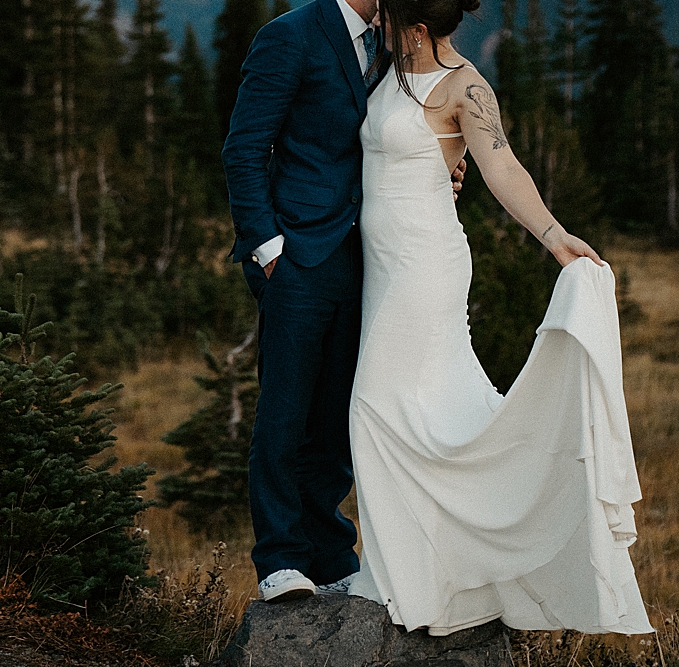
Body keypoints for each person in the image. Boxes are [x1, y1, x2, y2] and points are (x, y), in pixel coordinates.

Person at [346, 0, 654, 635]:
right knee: (427, 412)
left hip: (424, 264)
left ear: (419, 28)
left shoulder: (466, 87)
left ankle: (408, 576)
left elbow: (503, 166)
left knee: (373, 406)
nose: (379, 23)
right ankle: (427, 570)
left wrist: (555, 237)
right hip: (379, 266)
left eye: (391, 18)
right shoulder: (385, 69)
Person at [222, 0, 465, 602]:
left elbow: (395, 134)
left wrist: (438, 171)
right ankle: (280, 559)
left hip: (369, 256)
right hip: (297, 256)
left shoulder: (393, 41)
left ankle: (330, 555)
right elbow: (244, 148)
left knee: (337, 414)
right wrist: (268, 248)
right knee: (285, 411)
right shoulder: (289, 36)